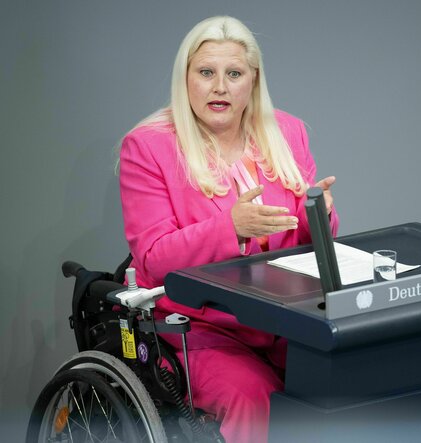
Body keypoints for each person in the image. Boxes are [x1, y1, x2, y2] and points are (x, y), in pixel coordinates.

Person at [118, 16, 339, 443]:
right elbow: (153, 259)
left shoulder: (285, 132)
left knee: (340, 376)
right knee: (255, 398)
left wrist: (321, 216)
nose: (220, 87)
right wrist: (229, 229)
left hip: (283, 320)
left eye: (233, 74)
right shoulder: (148, 147)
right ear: (186, 79)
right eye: (206, 73)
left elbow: (304, 243)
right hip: (201, 327)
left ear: (252, 81)